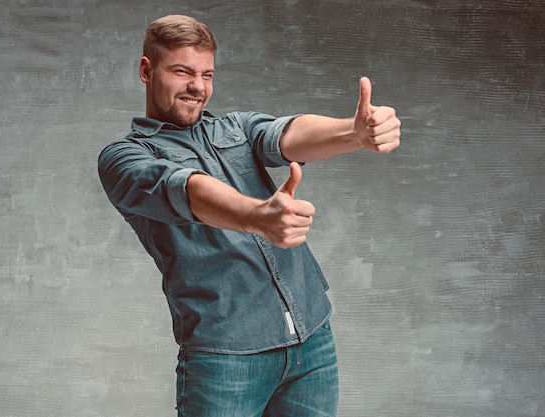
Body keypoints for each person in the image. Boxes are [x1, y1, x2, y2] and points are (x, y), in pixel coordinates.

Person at [98, 14, 400, 417]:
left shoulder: (235, 127)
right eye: (182, 71)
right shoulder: (124, 158)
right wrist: (258, 215)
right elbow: (188, 189)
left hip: (312, 343)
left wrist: (352, 133)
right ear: (146, 70)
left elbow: (287, 134)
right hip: (225, 359)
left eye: (207, 74)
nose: (197, 86)